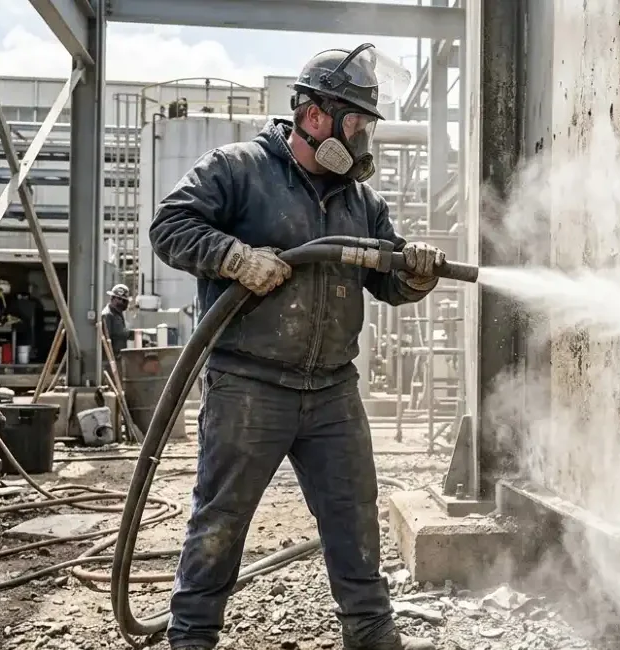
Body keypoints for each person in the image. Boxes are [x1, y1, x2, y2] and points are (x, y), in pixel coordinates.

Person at [149, 44, 442, 650]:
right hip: (249, 386)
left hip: (332, 388)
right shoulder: (237, 169)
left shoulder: (361, 203)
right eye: (356, 123)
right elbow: (170, 225)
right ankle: (192, 638)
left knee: (354, 513)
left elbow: (387, 280)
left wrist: (414, 273)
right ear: (316, 117)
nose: (362, 139)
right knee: (221, 520)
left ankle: (369, 631)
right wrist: (232, 257)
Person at [101, 284, 132, 363]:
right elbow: (105, 342)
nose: (122, 302)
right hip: (110, 360)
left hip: (119, 358)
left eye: (124, 300)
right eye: (119, 299)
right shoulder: (107, 315)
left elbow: (121, 332)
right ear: (112, 298)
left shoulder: (118, 313)